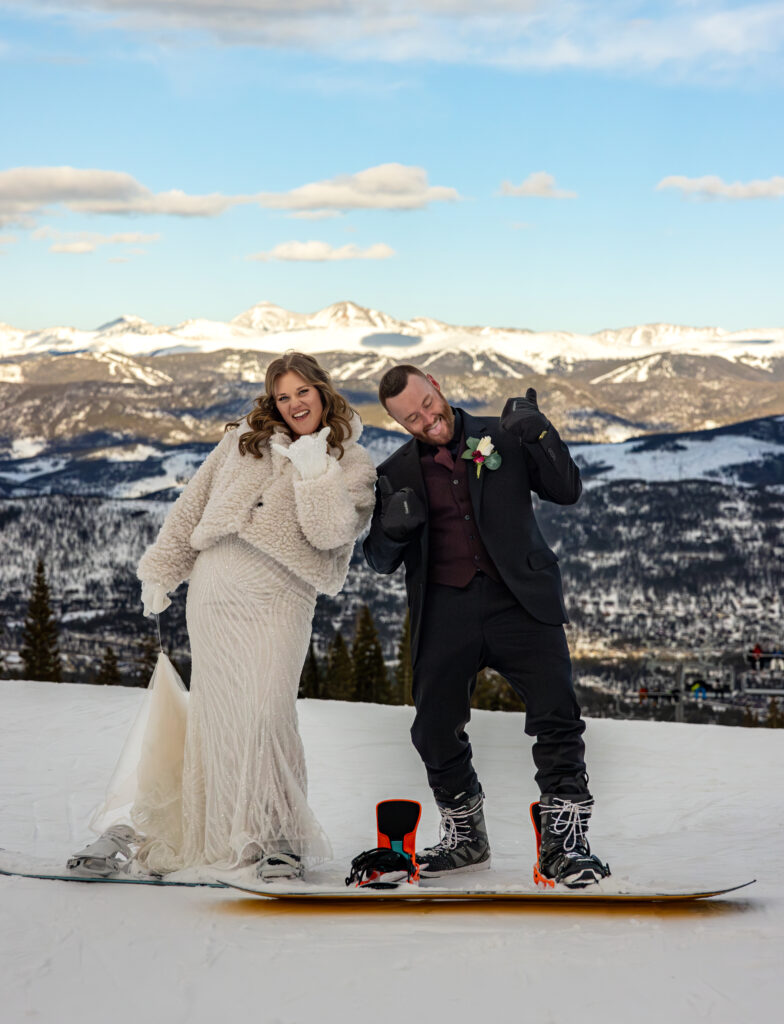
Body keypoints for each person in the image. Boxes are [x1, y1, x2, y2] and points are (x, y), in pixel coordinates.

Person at [73, 352, 377, 881]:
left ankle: (279, 836)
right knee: (218, 719)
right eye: (283, 396)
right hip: (216, 594)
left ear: (323, 392)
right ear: (272, 402)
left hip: (281, 597)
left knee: (266, 713)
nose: (294, 404)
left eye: (302, 392)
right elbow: (193, 506)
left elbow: (331, 535)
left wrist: (313, 473)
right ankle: (207, 829)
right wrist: (162, 571)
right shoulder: (242, 440)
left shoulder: (352, 463)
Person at [363, 365, 609, 888]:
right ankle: (466, 835)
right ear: (397, 423)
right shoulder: (395, 472)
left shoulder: (504, 435)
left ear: (437, 383)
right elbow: (379, 560)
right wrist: (390, 528)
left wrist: (541, 433)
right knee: (432, 727)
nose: (427, 420)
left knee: (557, 715)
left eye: (428, 404)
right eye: (411, 419)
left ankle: (565, 843)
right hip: (445, 609)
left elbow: (566, 490)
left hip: (520, 599)